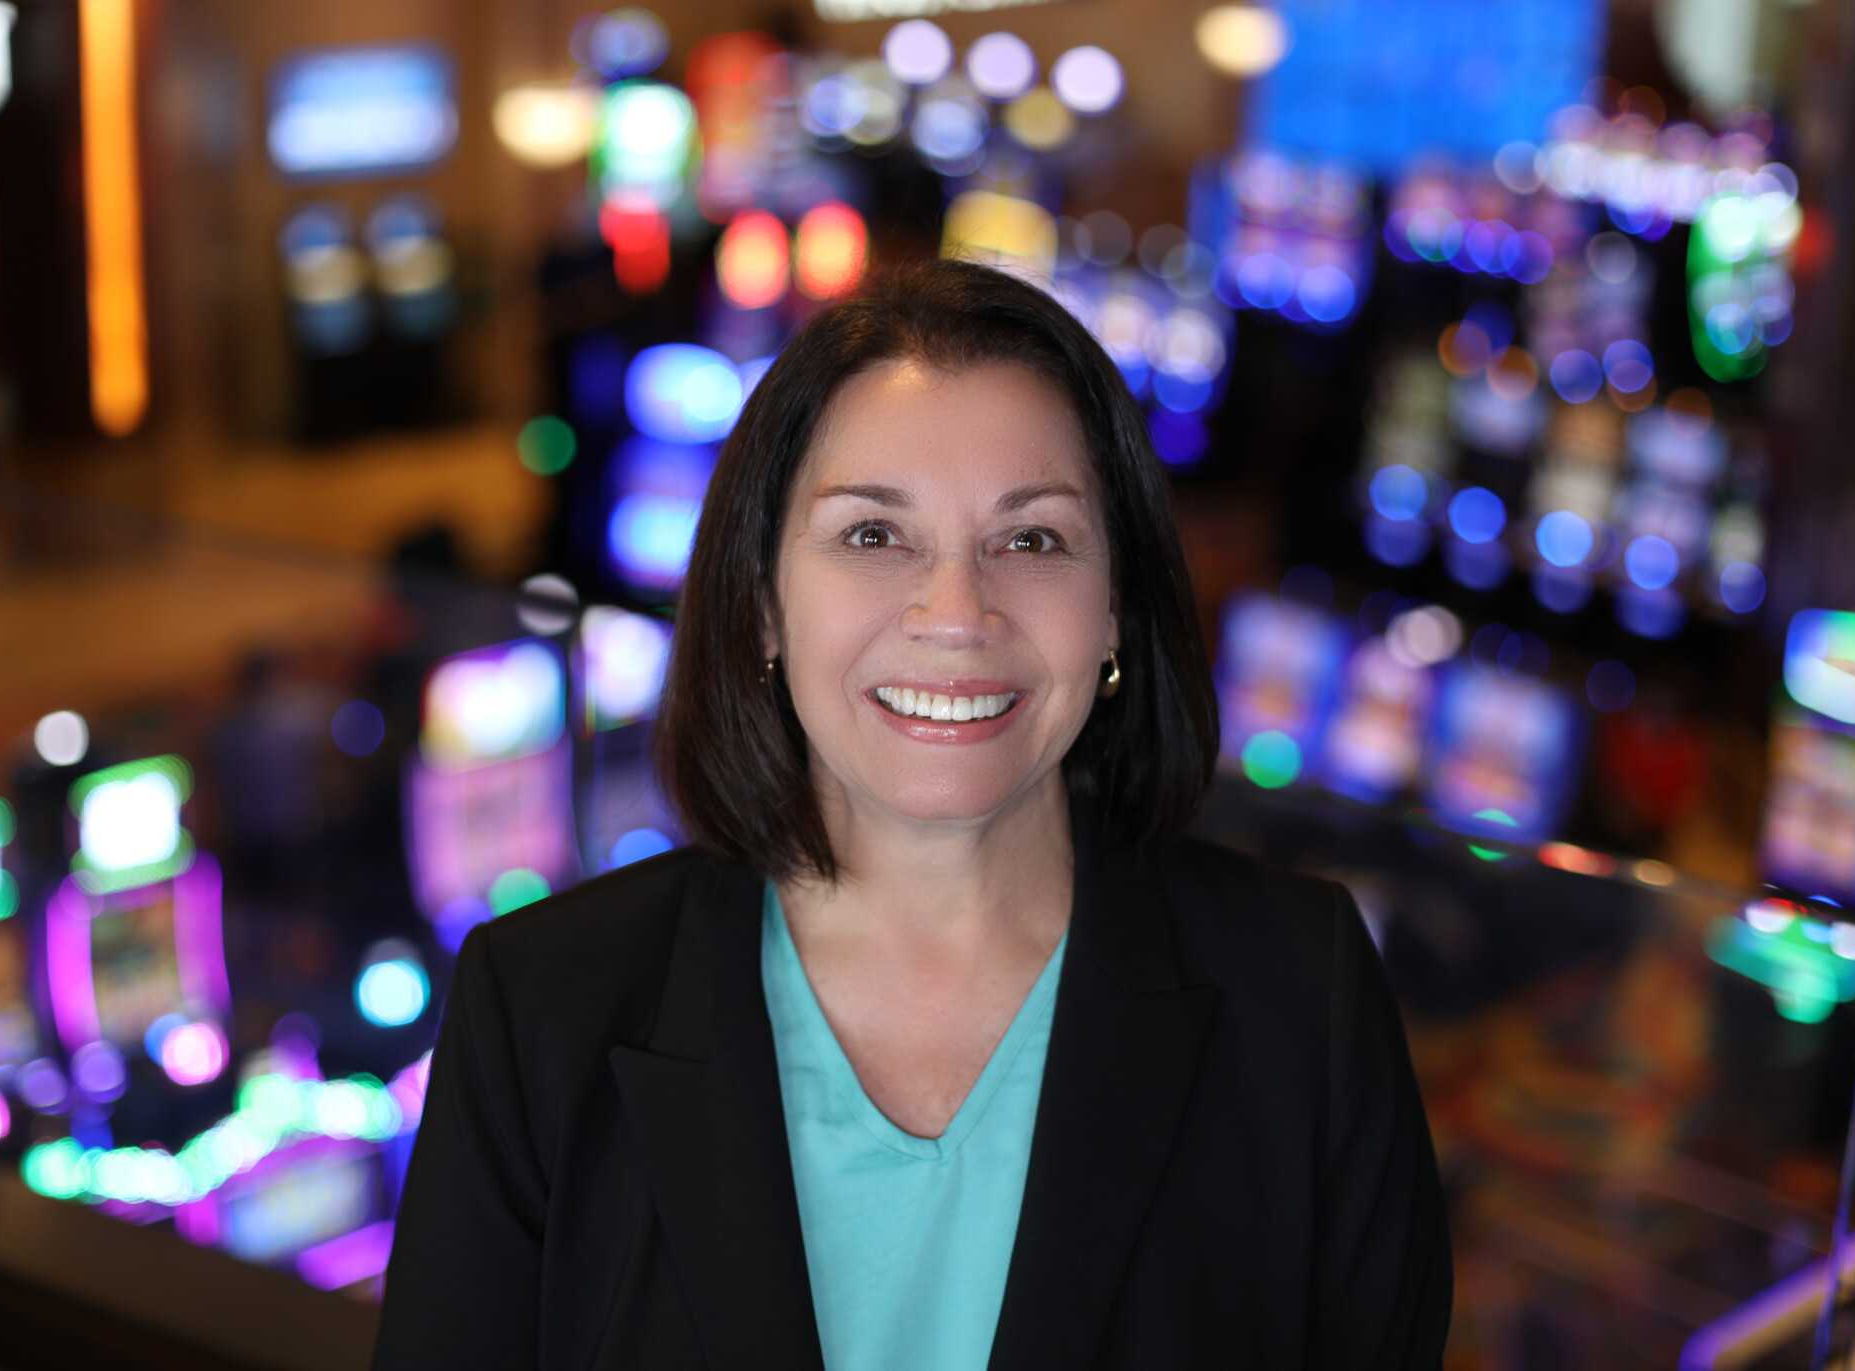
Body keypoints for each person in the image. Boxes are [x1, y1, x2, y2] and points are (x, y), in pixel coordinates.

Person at [373, 259, 1451, 1370]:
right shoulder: (538, 1010)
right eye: (872, 536)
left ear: (1116, 608)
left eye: (1030, 541)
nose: (956, 615)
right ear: (760, 605)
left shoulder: (1302, 995)